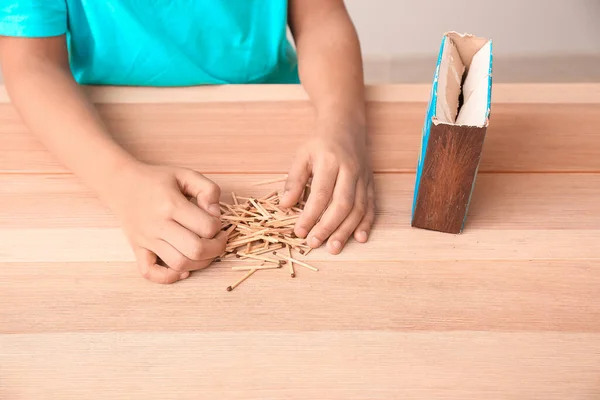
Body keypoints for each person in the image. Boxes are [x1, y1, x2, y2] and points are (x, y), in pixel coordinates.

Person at [0, 0, 375, 284]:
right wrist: (119, 182)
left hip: (272, 110)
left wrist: (342, 124)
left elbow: (320, 18)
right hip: (88, 129)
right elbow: (32, 62)